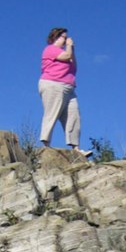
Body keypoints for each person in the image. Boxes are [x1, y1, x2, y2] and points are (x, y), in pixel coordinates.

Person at [38, 28, 92, 157]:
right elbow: (66, 57)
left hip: (69, 88)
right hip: (53, 84)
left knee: (74, 116)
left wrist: (71, 48)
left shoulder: (66, 51)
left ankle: (76, 148)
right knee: (52, 112)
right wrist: (68, 46)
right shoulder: (50, 49)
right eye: (63, 36)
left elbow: (73, 64)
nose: (66, 39)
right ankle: (45, 145)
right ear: (56, 37)